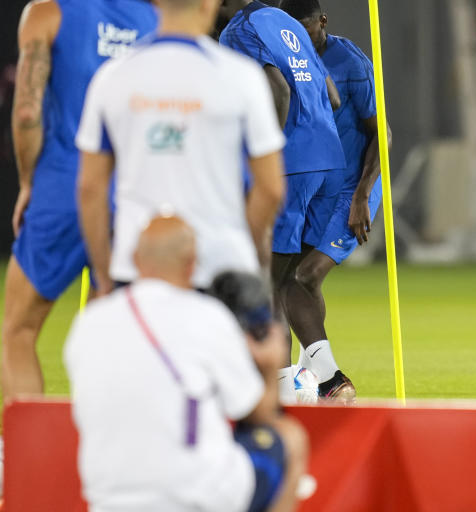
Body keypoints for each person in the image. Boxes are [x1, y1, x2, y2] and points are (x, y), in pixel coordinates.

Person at [2, 0, 157, 402]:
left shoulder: (45, 14)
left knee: (18, 331)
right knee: (113, 338)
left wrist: (29, 183)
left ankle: (18, 459)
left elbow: (27, 112)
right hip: (132, 193)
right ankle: (107, 457)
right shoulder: (154, 20)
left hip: (63, 184)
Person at [75, 0, 286, 293]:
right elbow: (271, 188)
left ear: (156, 1)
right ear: (208, 1)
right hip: (219, 266)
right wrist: (241, 249)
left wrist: (103, 274)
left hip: (136, 264)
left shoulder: (113, 77)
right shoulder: (242, 77)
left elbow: (90, 187)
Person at [64, 215, 307, 512]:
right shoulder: (206, 317)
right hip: (191, 496)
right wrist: (271, 365)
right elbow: (256, 410)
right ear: (192, 264)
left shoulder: (89, 322)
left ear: (134, 260)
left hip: (107, 497)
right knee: (290, 438)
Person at [213, 0, 350, 402]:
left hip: (290, 165)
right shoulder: (285, 22)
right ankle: (325, 381)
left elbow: (279, 90)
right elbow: (331, 93)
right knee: (293, 280)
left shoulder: (237, 32)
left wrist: (265, 159)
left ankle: (279, 390)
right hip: (329, 162)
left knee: (264, 281)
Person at [278, 0, 389, 399]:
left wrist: (362, 195)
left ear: (322, 21)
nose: (300, 41)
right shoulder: (283, 59)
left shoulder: (351, 64)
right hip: (309, 188)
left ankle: (330, 380)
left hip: (351, 188)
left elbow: (383, 133)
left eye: (307, 31)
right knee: (294, 280)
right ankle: (309, 380)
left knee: (301, 275)